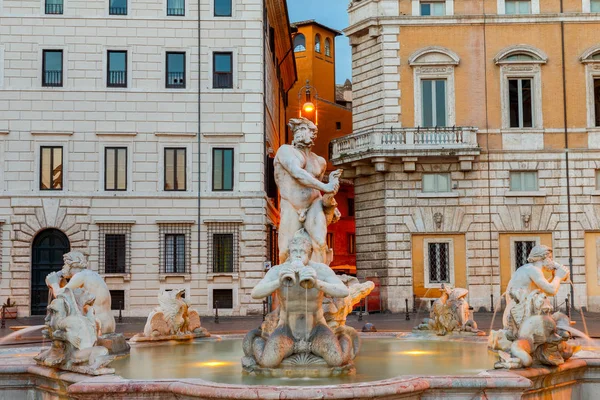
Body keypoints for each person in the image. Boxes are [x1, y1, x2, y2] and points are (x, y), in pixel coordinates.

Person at [247, 229, 352, 368]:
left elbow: (343, 291)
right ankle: (257, 340)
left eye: (302, 252)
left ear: (310, 254)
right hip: (287, 330)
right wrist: (278, 282)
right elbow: (255, 293)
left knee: (336, 360)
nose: (298, 255)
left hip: (316, 329)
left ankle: (344, 338)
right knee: (267, 362)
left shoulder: (320, 270)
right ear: (289, 254)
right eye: (294, 251)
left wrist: (317, 283)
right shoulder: (279, 270)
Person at [274, 117, 342, 264]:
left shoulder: (319, 161)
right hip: (291, 205)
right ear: (295, 132)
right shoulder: (285, 151)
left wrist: (329, 203)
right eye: (304, 129)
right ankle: (287, 283)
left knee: (320, 243)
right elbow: (297, 173)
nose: (309, 133)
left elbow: (315, 186)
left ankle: (318, 282)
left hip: (314, 204)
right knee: (285, 250)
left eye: (312, 131)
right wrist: (326, 187)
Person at [45, 251, 116, 335]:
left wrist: (54, 283)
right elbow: (70, 296)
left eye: (65, 264)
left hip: (96, 325)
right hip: (109, 324)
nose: (63, 267)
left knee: (62, 328)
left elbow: (60, 295)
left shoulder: (80, 276)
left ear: (71, 265)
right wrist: (61, 283)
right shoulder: (91, 274)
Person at [502, 245, 570, 331]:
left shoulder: (527, 268)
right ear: (543, 258)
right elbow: (552, 290)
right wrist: (558, 276)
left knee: (557, 320)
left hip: (513, 315)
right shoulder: (533, 270)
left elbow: (544, 291)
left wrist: (554, 277)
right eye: (550, 258)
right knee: (560, 319)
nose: (552, 261)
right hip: (519, 318)